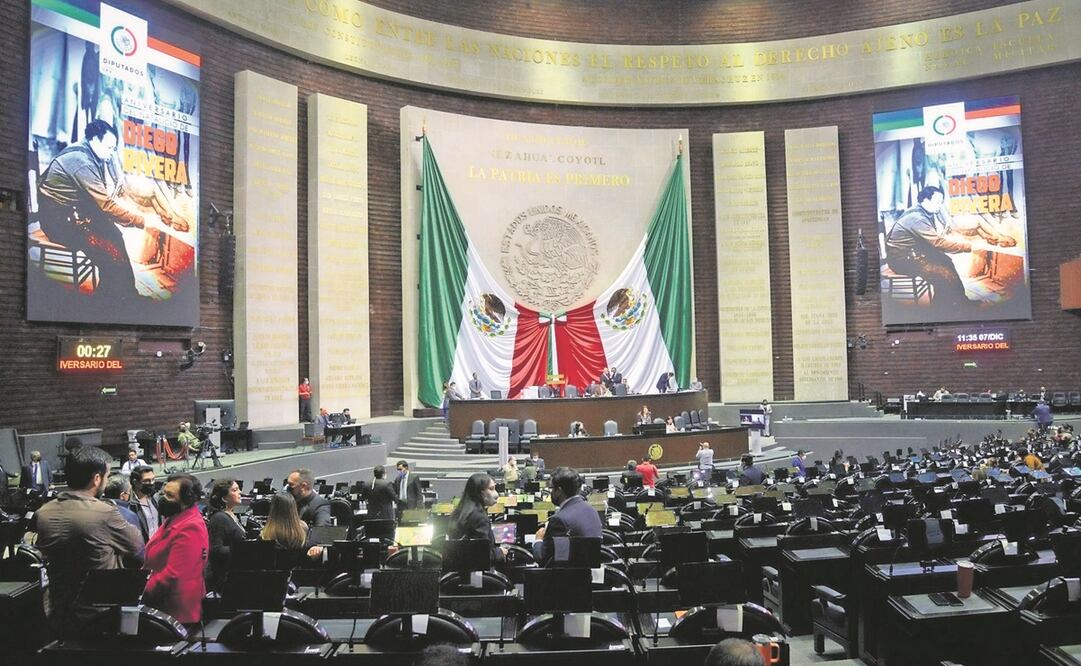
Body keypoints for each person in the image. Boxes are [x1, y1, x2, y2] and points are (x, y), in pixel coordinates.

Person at [36, 119, 180, 304]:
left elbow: (107, 197)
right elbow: (106, 206)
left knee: (115, 235)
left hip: (75, 212)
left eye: (114, 148)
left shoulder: (91, 152)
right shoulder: (82, 162)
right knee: (110, 255)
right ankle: (111, 303)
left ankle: (126, 295)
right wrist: (142, 221)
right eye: (109, 147)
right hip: (58, 221)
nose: (112, 154)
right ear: (95, 139)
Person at [35, 446, 143, 635]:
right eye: (107, 476)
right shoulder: (105, 512)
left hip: (59, 612)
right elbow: (136, 546)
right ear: (96, 478)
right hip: (98, 615)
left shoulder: (43, 513)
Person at [885, 185, 1013, 311]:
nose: (940, 205)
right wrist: (969, 247)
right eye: (937, 202)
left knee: (947, 261)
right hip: (902, 261)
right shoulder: (916, 218)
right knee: (943, 277)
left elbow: (938, 238)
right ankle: (939, 311)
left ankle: (962, 301)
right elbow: (938, 243)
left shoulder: (923, 211)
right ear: (925, 200)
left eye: (941, 202)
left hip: (914, 253)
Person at [143, 473, 208, 627]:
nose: (163, 498)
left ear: (186, 500)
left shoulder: (191, 527)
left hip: (176, 611)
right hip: (162, 606)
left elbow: (174, 574)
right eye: (163, 493)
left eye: (170, 495)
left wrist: (141, 590)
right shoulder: (174, 517)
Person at [533, 467, 603, 566]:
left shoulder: (559, 520)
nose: (551, 492)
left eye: (552, 488)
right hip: (589, 575)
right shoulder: (592, 510)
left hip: (567, 578)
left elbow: (542, 558)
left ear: (559, 490)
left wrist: (538, 539)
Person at [448, 472, 507, 563]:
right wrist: (499, 552)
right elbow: (480, 554)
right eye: (491, 489)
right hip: (475, 574)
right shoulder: (479, 518)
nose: (495, 493)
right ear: (480, 492)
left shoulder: (460, 511)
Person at [205, 477, 246, 593]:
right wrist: (243, 549)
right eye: (235, 490)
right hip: (222, 580)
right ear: (224, 498)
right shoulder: (219, 518)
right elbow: (215, 549)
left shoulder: (231, 514)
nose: (240, 492)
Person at [128, 464, 160, 542]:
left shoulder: (155, 498)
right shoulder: (130, 505)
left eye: (153, 479)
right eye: (147, 481)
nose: (151, 483)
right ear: (136, 483)